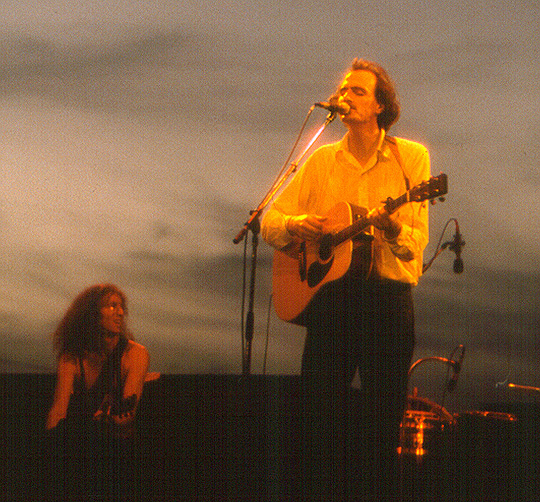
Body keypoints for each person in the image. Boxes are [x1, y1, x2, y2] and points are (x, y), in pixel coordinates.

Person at [261, 59, 430, 498]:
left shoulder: (410, 157)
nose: (345, 97)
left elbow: (415, 245)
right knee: (317, 420)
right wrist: (295, 223)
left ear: (380, 104)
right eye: (343, 90)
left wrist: (389, 226)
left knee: (380, 424)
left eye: (356, 91)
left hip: (386, 299)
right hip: (331, 302)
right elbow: (268, 221)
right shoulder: (320, 159)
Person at [44, 283, 150, 499]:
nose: (120, 312)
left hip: (117, 448)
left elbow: (130, 405)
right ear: (92, 314)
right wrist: (48, 448)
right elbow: (58, 408)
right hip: (80, 444)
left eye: (121, 307)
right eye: (112, 306)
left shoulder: (134, 354)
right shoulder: (72, 357)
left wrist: (118, 422)